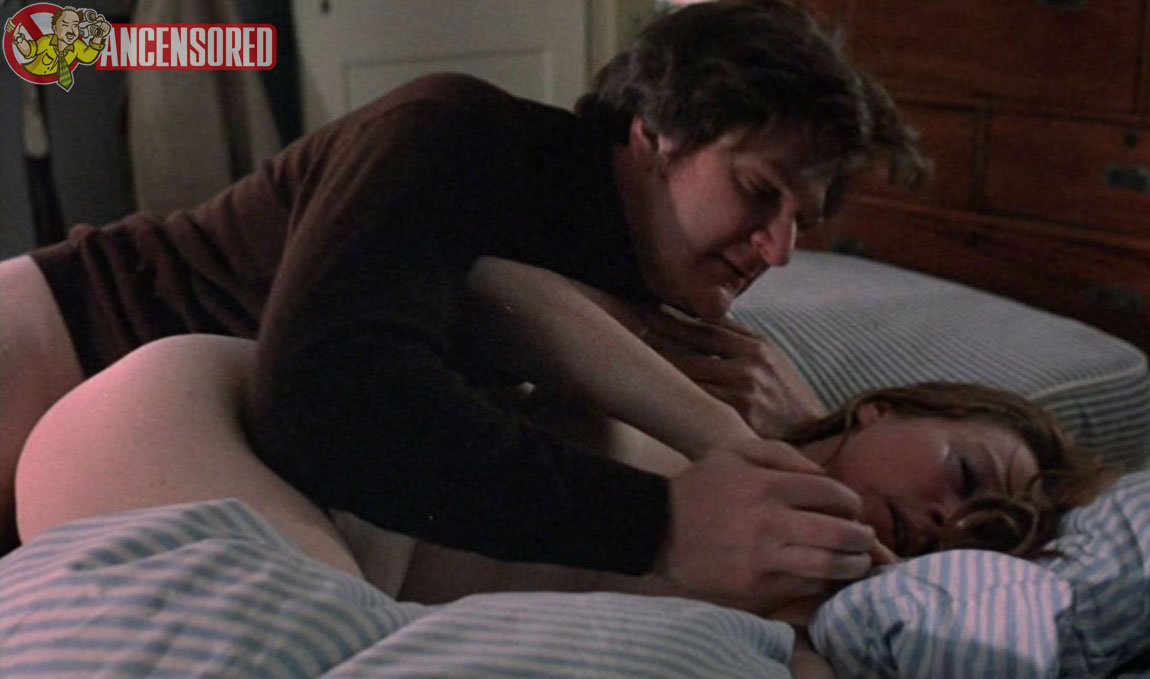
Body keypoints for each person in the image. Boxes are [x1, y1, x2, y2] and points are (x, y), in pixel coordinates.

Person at [0, 0, 929, 605]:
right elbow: (329, 397)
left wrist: (805, 424)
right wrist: (662, 524)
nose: (779, 250)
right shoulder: (459, 134)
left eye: (803, 223)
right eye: (759, 192)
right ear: (654, 134)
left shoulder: (649, 295)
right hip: (55, 344)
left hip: (111, 467)